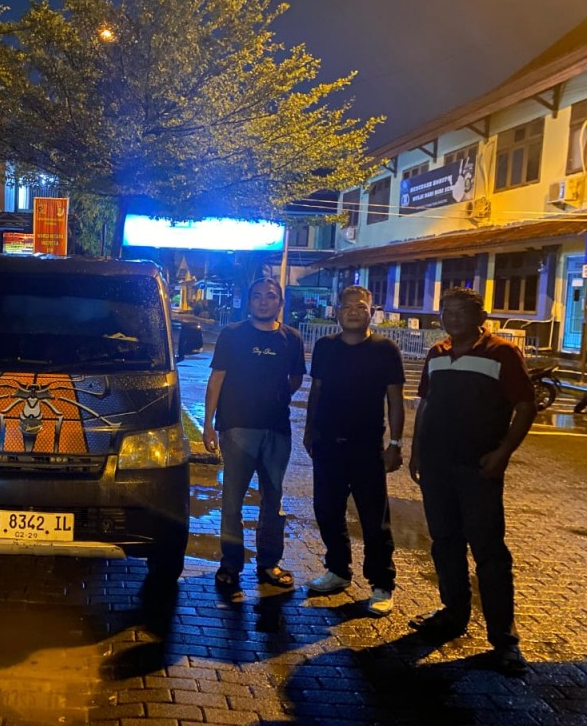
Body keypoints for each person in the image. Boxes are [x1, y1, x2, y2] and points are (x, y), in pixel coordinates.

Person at [409, 287, 536, 676]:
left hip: (478, 469)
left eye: (460, 311)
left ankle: (504, 639)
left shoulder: (502, 353)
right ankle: (453, 614)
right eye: (446, 311)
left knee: (489, 551)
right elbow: (426, 404)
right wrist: (416, 451)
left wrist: (503, 453)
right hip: (437, 467)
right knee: (445, 543)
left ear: (480, 316)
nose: (451, 317)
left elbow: (525, 405)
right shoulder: (437, 353)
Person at [302, 285, 405, 616]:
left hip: (367, 447)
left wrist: (395, 444)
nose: (353, 312)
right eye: (346, 307)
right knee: (327, 511)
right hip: (328, 444)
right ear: (336, 312)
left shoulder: (385, 349)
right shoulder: (325, 347)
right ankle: (338, 570)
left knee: (374, 519)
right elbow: (316, 390)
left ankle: (382, 583)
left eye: (360, 307)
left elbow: (395, 399)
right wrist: (310, 431)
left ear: (371, 312)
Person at [203, 277, 306, 602]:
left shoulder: (292, 338)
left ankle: (269, 564)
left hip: (277, 430)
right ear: (249, 301)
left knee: (272, 501)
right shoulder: (232, 335)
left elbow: (295, 378)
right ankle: (230, 566)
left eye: (270, 296)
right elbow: (216, 379)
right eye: (258, 296)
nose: (264, 301)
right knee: (232, 501)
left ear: (280, 303)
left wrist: (274, 398)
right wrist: (208, 424)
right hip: (236, 429)